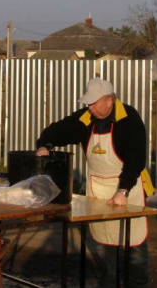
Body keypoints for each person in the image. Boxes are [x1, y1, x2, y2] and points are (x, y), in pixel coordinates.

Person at [36, 77, 150, 287]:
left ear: (109, 100)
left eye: (94, 103)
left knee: (134, 251)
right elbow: (57, 130)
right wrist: (45, 145)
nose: (90, 107)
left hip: (127, 189)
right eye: (88, 103)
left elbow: (136, 159)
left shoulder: (129, 118)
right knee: (105, 249)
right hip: (98, 191)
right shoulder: (86, 118)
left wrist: (122, 190)